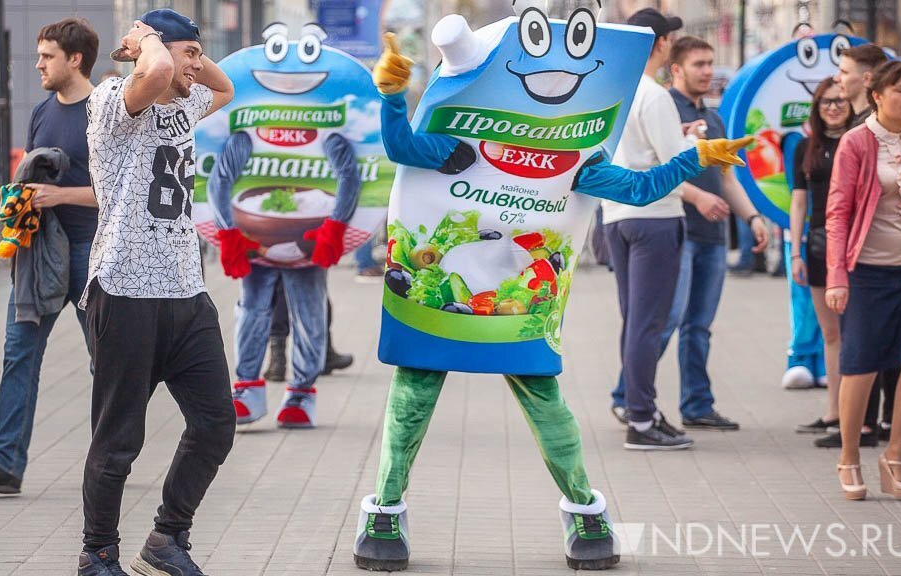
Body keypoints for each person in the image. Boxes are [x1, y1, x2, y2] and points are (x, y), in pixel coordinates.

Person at [352, 18, 752, 571]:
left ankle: (585, 508)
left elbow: (636, 188)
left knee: (547, 403)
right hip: (436, 292)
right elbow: (400, 146)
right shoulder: (458, 140)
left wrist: (697, 158)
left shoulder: (576, 155)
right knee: (412, 396)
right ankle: (385, 510)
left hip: (521, 302)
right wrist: (392, 95)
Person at [77, 9, 235, 575]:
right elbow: (162, 64)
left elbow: (223, 85)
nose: (197, 63)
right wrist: (150, 41)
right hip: (124, 294)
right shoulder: (113, 103)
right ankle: (97, 554)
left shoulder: (182, 104)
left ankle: (167, 537)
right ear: (153, 49)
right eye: (190, 52)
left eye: (198, 51)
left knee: (217, 423)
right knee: (118, 440)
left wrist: (188, 53)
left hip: (186, 294)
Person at [0, 19, 100, 495]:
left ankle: (113, 457)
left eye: (47, 56)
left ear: (74, 59)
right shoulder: (41, 112)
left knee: (108, 361)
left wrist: (58, 196)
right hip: (40, 257)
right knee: (19, 355)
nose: (37, 64)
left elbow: (121, 191)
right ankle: (5, 463)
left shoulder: (106, 112)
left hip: (94, 255)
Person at [611, 36, 768, 432]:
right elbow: (658, 169)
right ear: (675, 67)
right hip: (671, 229)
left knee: (698, 326)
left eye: (710, 63)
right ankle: (628, 398)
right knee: (662, 321)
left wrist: (751, 217)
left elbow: (727, 177)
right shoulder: (661, 103)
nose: (707, 71)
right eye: (699, 63)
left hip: (712, 236)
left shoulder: (713, 119)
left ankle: (697, 404)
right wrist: (696, 197)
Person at [826, 60, 901, 501]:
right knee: (861, 362)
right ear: (877, 95)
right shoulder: (857, 143)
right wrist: (837, 276)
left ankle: (896, 458)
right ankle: (849, 457)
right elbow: (837, 213)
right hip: (869, 269)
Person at [831, 42, 896, 448]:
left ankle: (873, 424)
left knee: (879, 339)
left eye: (844, 71)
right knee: (863, 336)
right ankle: (865, 421)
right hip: (855, 250)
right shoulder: (851, 125)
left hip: (877, 251)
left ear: (868, 79)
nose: (839, 77)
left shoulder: (873, 129)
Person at [789, 78, 852, 438]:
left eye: (839, 101)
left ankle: (857, 413)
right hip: (816, 246)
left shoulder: (859, 140)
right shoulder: (804, 147)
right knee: (831, 333)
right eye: (826, 102)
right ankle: (833, 413)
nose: (832, 107)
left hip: (856, 248)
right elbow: (799, 201)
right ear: (816, 106)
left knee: (854, 331)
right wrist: (795, 252)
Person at [835, 44, 887, 128]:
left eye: (844, 72)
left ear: (867, 79)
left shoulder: (875, 125)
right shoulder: (858, 121)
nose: (836, 78)